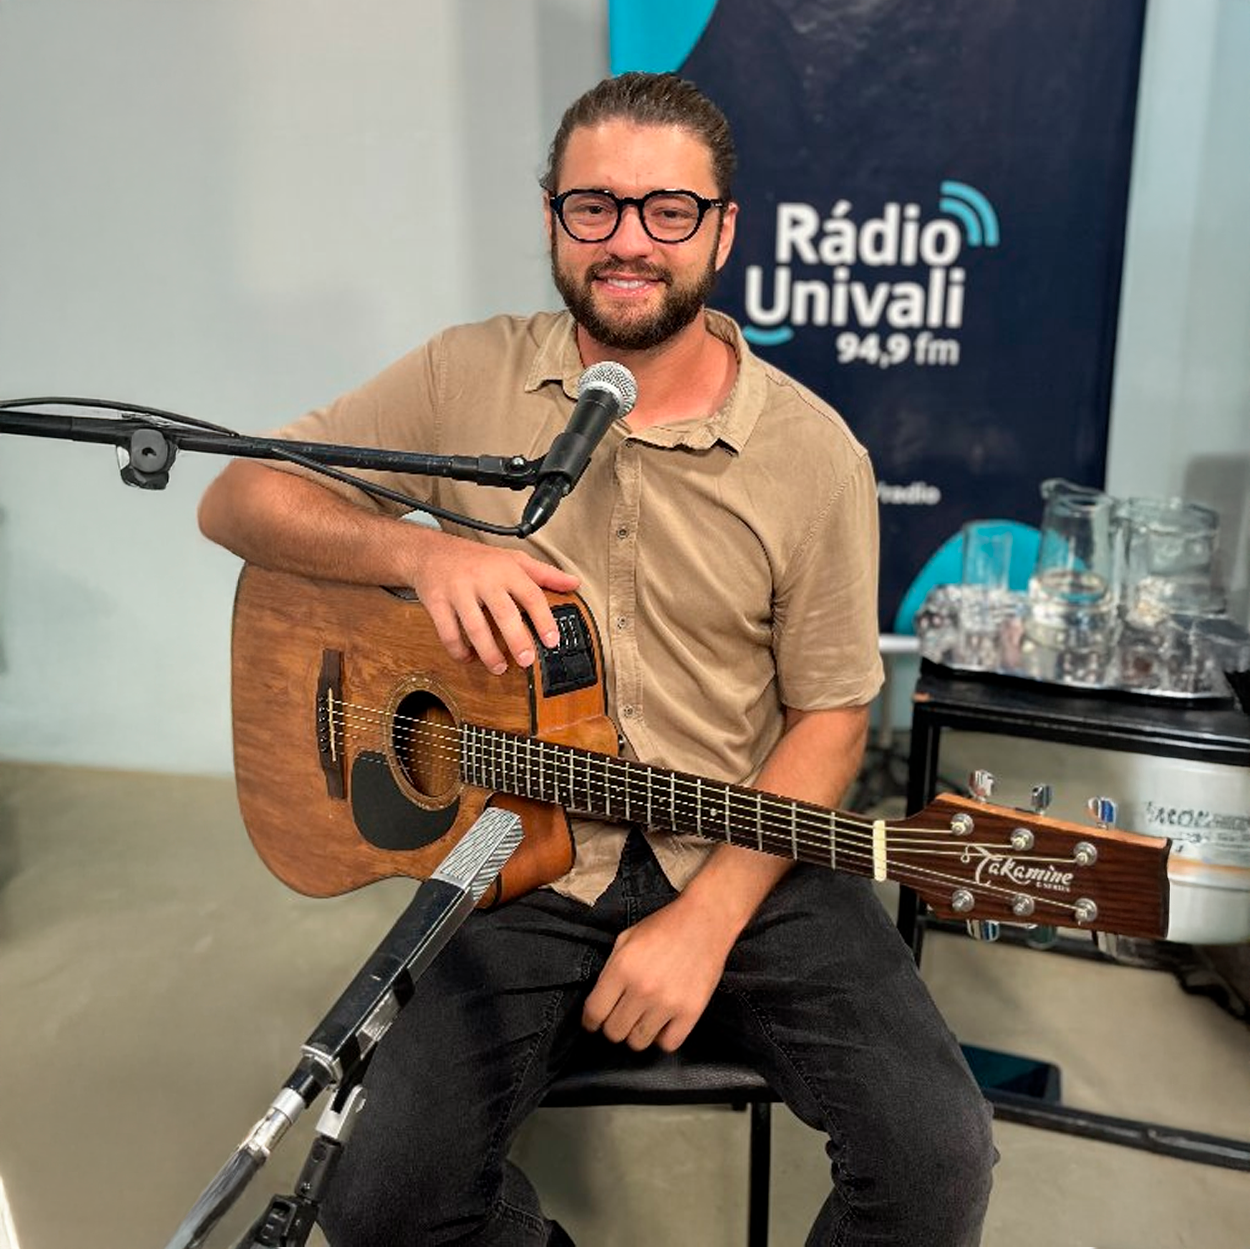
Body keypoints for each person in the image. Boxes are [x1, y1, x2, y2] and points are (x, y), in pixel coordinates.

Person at [199, 71, 995, 1246]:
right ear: (551, 219)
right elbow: (234, 496)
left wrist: (707, 918)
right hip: (506, 852)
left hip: (744, 846)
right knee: (375, 1206)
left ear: (723, 228)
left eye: (668, 209)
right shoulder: (462, 375)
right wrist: (411, 556)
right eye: (595, 207)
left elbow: (830, 714)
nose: (629, 242)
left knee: (935, 1161)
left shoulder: (812, 453)